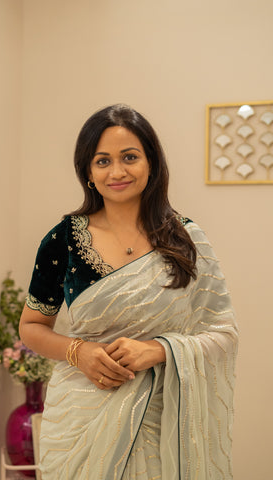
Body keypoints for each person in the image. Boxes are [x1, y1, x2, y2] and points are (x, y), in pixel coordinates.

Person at [19, 104, 238, 480]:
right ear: (87, 171)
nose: (116, 171)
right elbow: (31, 326)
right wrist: (79, 352)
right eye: (102, 161)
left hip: (164, 420)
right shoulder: (63, 241)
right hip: (82, 421)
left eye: (129, 157)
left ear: (151, 164)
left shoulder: (187, 239)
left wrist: (158, 349)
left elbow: (223, 333)